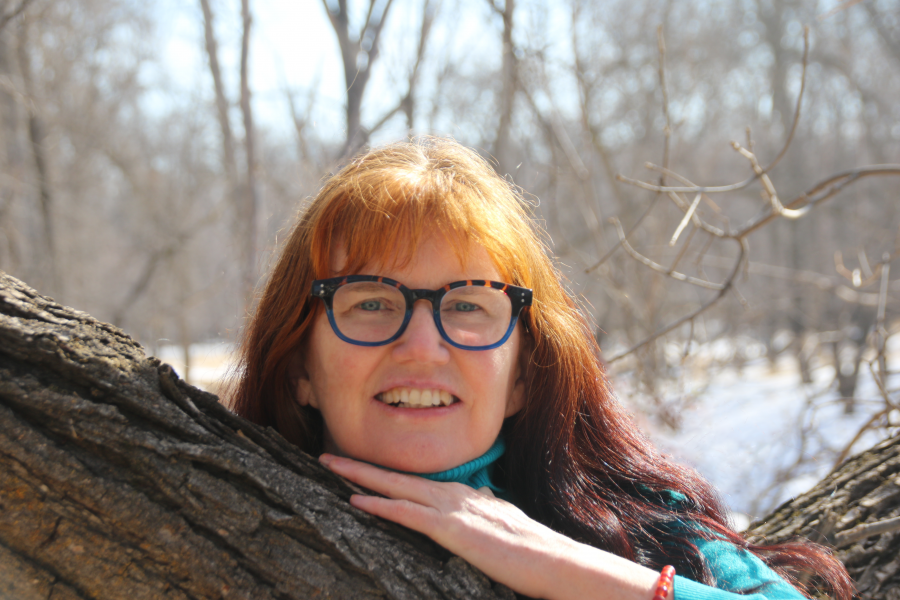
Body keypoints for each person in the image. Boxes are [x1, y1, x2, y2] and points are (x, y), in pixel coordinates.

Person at [229, 137, 852, 600]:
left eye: (467, 304)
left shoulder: (652, 536)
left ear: (524, 376)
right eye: (371, 302)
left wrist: (566, 568)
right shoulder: (218, 516)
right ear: (296, 368)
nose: (421, 345)